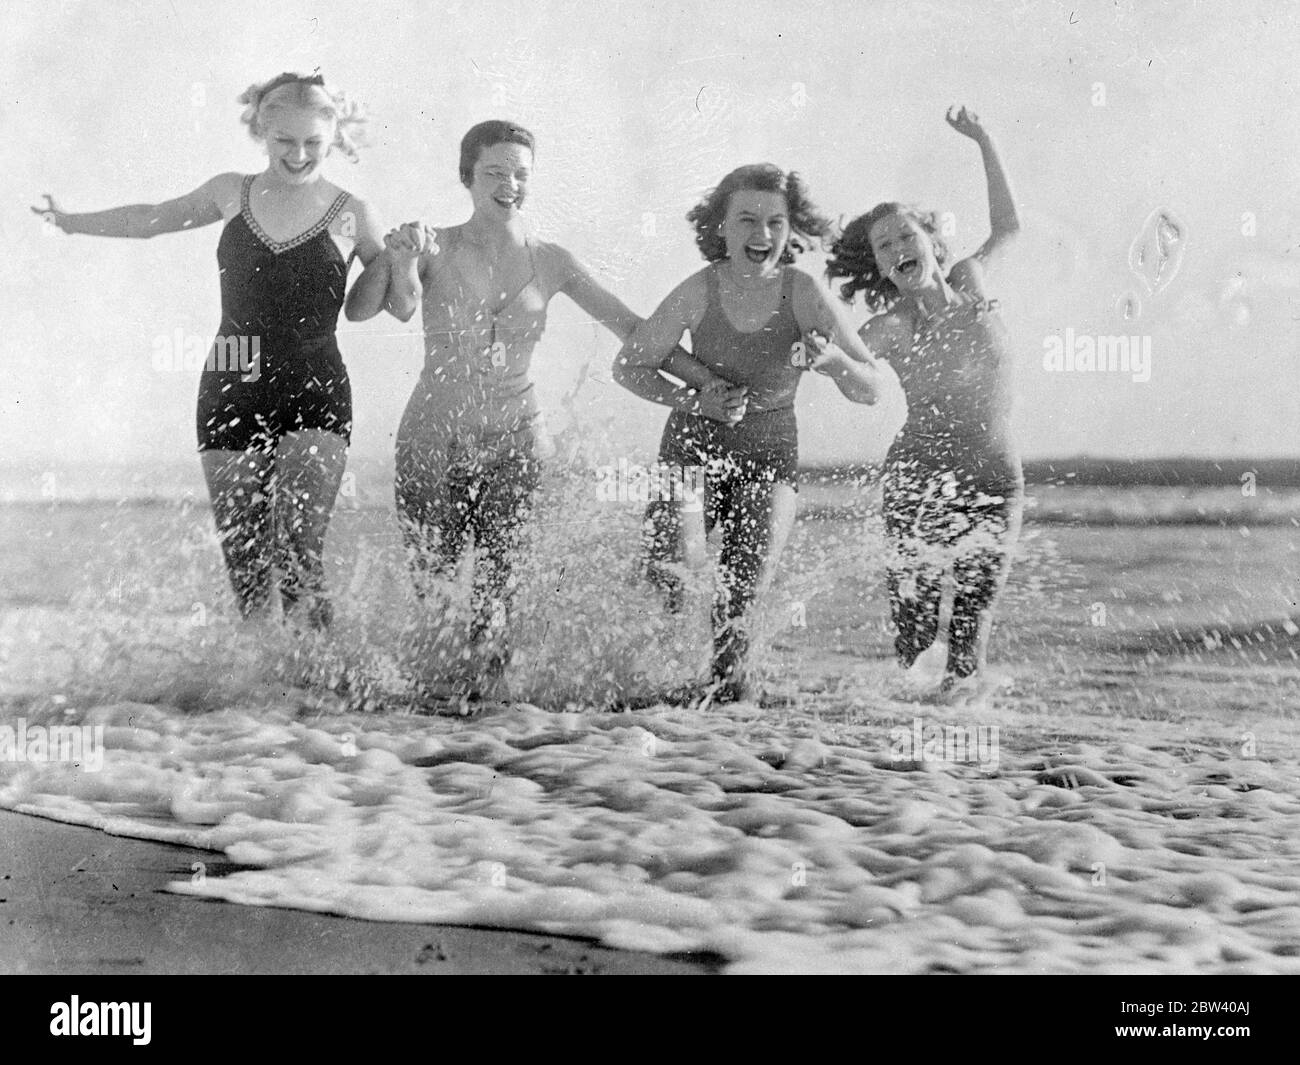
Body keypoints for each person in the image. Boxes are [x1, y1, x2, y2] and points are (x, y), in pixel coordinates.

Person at [345, 119, 731, 695]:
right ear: (467, 177)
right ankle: (432, 718)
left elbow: (631, 327)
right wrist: (397, 257)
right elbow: (364, 310)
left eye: (520, 174)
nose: (509, 184)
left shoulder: (552, 261)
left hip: (518, 439)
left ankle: (491, 724)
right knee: (437, 584)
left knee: (499, 592)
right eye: (495, 172)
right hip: (434, 434)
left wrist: (705, 384)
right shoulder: (434, 245)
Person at [33, 72, 383, 631]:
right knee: (245, 565)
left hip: (316, 385)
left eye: (312, 142)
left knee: (300, 558)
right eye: (283, 141)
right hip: (230, 378)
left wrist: (404, 259)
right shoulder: (231, 191)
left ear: (333, 136)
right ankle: (258, 701)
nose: (297, 154)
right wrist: (70, 223)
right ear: (262, 132)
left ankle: (319, 690)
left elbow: (379, 300)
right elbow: (151, 219)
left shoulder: (353, 211)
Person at [615, 163, 884, 704]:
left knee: (742, 595)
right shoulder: (699, 289)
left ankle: (727, 722)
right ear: (721, 226)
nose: (762, 236)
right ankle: (647, 706)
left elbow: (872, 388)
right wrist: (694, 398)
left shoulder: (803, 292)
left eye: (775, 223)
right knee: (670, 574)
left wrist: (832, 362)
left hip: (770, 454)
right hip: (691, 448)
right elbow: (630, 366)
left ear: (791, 230)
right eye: (746, 221)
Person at [826, 105, 1022, 701]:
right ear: (882, 267)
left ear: (931, 241)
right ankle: (902, 747)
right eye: (884, 248)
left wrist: (984, 138)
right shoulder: (889, 325)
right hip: (921, 478)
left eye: (905, 236)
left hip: (995, 474)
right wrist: (828, 361)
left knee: (971, 627)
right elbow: (857, 372)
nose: (896, 249)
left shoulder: (972, 280)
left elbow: (1010, 226)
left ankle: (955, 748)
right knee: (913, 634)